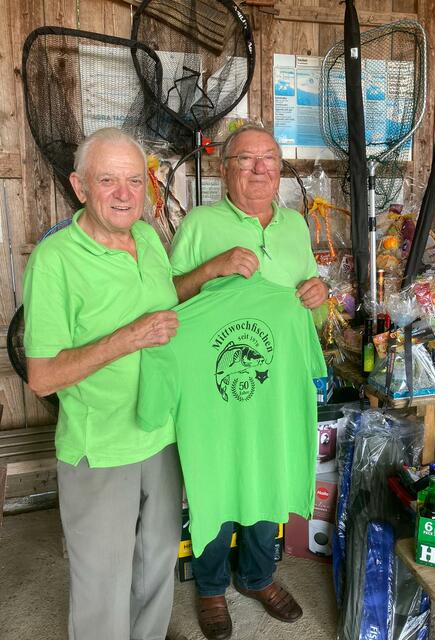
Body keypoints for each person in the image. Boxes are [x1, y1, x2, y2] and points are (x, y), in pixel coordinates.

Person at [169, 123, 328, 640]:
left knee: (267, 477)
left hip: (272, 392)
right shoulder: (200, 223)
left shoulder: (295, 228)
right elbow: (166, 303)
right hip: (215, 391)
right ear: (224, 169)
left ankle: (259, 577)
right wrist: (212, 269)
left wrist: (318, 298)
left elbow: (309, 317)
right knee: (214, 480)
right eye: (246, 159)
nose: (260, 169)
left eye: (269, 159)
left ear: (281, 169)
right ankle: (212, 588)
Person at [23, 128, 182, 640]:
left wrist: (214, 271)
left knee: (157, 565)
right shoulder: (55, 260)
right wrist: (128, 338)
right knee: (102, 586)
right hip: (100, 446)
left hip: (160, 431)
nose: (123, 193)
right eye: (107, 179)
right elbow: (42, 375)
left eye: (134, 180)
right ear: (80, 186)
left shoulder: (148, 240)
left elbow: (163, 297)